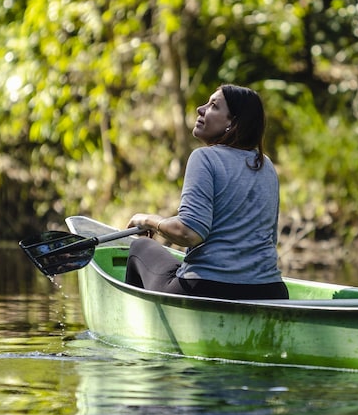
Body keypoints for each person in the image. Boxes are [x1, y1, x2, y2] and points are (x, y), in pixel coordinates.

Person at [124, 84, 289, 300]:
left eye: (213, 106)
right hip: (270, 292)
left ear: (233, 122)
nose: (200, 109)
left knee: (140, 246)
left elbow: (189, 233)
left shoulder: (204, 157)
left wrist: (146, 220)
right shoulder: (265, 165)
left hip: (208, 289)